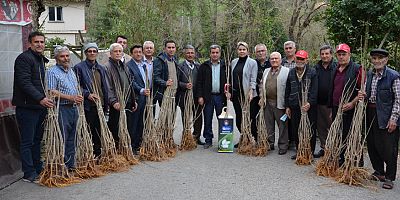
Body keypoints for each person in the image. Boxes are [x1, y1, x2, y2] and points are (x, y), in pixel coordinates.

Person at [12, 31, 53, 183]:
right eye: (36, 42)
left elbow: (41, 83)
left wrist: (46, 96)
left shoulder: (41, 60)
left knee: (37, 140)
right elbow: (24, 83)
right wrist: (40, 98)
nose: (40, 44)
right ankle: (28, 173)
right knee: (27, 141)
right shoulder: (24, 59)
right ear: (29, 44)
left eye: (42, 42)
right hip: (27, 107)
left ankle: (38, 168)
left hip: (39, 107)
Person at [360, 49, 400, 189]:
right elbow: (367, 92)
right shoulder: (370, 74)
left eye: (379, 58)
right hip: (370, 113)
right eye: (374, 58)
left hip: (386, 115)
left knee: (389, 147)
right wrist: (362, 95)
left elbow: (398, 100)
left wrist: (394, 118)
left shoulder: (393, 76)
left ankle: (389, 177)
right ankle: (379, 172)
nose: (376, 61)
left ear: (386, 60)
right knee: (372, 144)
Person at [47, 46, 83, 170]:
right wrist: (70, 97)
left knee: (73, 138)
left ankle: (70, 165)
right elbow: (51, 92)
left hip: (74, 108)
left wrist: (78, 97)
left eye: (67, 55)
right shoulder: (52, 72)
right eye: (62, 56)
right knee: (62, 138)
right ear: (56, 58)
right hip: (61, 109)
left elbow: (76, 88)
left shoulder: (71, 71)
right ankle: (60, 166)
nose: (65, 58)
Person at [328, 43, 363, 166]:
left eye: (344, 54)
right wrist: (332, 109)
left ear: (349, 54)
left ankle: (355, 162)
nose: (341, 57)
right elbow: (333, 89)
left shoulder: (357, 69)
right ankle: (342, 159)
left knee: (351, 134)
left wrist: (352, 103)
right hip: (337, 107)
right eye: (339, 54)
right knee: (339, 134)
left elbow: (363, 90)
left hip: (350, 108)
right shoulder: (335, 69)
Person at [74, 43, 109, 157]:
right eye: (90, 51)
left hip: (100, 104)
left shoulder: (101, 68)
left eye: (94, 51)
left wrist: (106, 104)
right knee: (87, 130)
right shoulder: (79, 68)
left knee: (98, 131)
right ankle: (87, 154)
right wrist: (87, 94)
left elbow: (105, 87)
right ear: (85, 53)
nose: (92, 53)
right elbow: (76, 86)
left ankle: (98, 154)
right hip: (88, 106)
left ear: (97, 53)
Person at [284, 50, 317, 160]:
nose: (300, 61)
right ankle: (299, 151)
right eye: (298, 58)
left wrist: (309, 103)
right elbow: (287, 90)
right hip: (294, 106)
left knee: (310, 129)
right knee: (296, 129)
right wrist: (287, 106)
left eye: (302, 59)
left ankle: (310, 152)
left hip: (308, 107)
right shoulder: (291, 72)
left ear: (306, 60)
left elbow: (314, 90)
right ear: (295, 59)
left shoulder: (312, 72)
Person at [104, 43, 137, 150]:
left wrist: (133, 100)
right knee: (115, 127)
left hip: (126, 101)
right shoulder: (107, 67)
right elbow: (108, 87)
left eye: (120, 51)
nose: (118, 53)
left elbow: (130, 83)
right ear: (110, 53)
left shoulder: (124, 66)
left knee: (126, 126)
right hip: (117, 103)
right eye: (115, 51)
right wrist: (113, 101)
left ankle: (124, 148)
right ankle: (116, 149)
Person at [227, 42, 257, 148]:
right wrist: (229, 90)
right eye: (240, 49)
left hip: (247, 95)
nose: (242, 51)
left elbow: (253, 79)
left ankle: (250, 138)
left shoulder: (252, 63)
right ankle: (244, 137)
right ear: (237, 51)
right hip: (236, 95)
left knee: (248, 118)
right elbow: (230, 78)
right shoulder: (234, 62)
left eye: (244, 49)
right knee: (239, 118)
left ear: (247, 51)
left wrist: (251, 91)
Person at [196, 45, 227, 149]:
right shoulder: (204, 66)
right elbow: (199, 83)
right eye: (213, 52)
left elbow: (229, 81)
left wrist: (229, 92)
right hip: (208, 97)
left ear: (220, 53)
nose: (215, 54)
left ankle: (223, 140)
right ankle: (208, 140)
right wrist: (200, 96)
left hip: (220, 97)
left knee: (222, 119)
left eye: (216, 52)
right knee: (207, 119)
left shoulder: (225, 66)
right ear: (210, 53)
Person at [259, 52, 289, 154]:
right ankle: (270, 143)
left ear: (280, 60)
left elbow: (288, 88)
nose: (274, 60)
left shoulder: (286, 71)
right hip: (267, 102)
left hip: (280, 103)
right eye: (272, 59)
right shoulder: (266, 71)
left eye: (276, 58)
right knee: (269, 125)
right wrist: (261, 97)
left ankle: (283, 146)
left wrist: (288, 105)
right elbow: (261, 85)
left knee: (282, 125)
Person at [177, 45, 204, 145]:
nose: (190, 55)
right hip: (184, 96)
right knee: (186, 117)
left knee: (198, 117)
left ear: (195, 54)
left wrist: (201, 95)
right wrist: (184, 85)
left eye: (192, 53)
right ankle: (186, 136)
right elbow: (177, 82)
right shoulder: (180, 66)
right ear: (184, 54)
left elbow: (201, 81)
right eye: (188, 53)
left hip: (197, 96)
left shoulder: (198, 66)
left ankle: (196, 136)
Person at [314, 45, 336, 158]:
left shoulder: (336, 67)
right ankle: (323, 148)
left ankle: (333, 149)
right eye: (322, 54)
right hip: (318, 103)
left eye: (327, 53)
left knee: (331, 127)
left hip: (330, 104)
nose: (324, 56)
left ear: (331, 54)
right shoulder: (316, 67)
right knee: (321, 127)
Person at [127, 44, 149, 152]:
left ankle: (140, 144)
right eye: (136, 52)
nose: (138, 54)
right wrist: (141, 90)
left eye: (140, 52)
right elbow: (131, 81)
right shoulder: (128, 66)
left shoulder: (144, 65)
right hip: (136, 98)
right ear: (132, 54)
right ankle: (132, 146)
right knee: (134, 123)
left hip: (145, 98)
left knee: (142, 122)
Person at [253, 43, 271, 144]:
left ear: (266, 51)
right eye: (258, 51)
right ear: (255, 53)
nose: (260, 53)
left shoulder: (271, 63)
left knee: (267, 119)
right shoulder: (253, 63)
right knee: (254, 118)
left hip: (269, 97)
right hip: (255, 96)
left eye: (262, 51)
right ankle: (256, 138)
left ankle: (268, 140)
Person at [153, 40, 180, 105]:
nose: (171, 49)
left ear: (175, 49)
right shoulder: (160, 60)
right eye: (169, 47)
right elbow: (155, 77)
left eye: (173, 47)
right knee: (165, 114)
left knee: (173, 114)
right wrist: (165, 83)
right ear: (165, 49)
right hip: (165, 94)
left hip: (174, 93)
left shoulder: (175, 60)